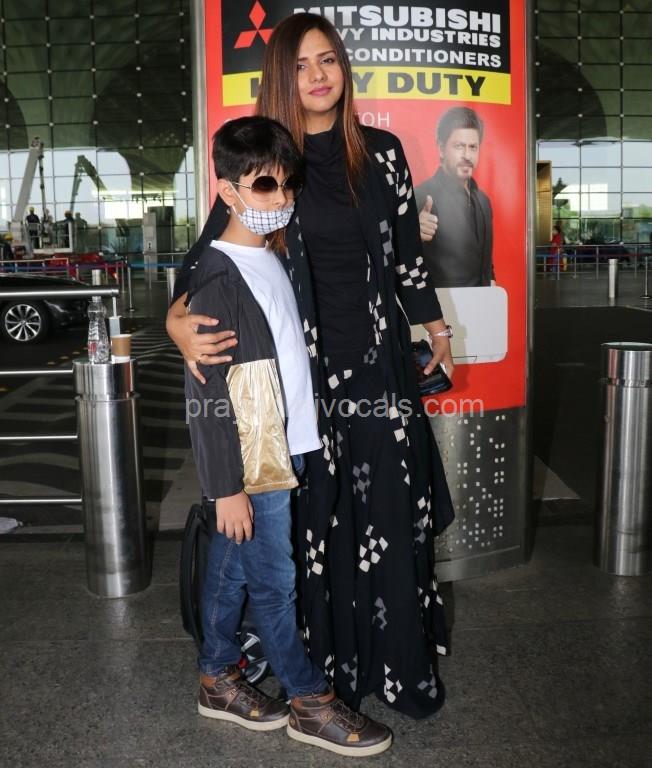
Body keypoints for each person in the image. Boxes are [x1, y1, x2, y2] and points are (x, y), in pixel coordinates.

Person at [168, 12, 455, 720]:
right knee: (317, 525)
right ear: (281, 78)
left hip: (381, 368)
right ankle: (324, 676)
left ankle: (398, 668)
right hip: (305, 379)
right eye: (300, 65)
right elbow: (207, 256)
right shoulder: (268, 160)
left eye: (328, 60)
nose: (319, 75)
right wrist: (176, 321)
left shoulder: (382, 153)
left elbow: (407, 258)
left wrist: (436, 327)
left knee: (390, 514)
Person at [185, 115, 391, 757]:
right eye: (265, 185)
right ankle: (309, 702)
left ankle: (217, 678)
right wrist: (225, 488)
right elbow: (207, 397)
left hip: (285, 444)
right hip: (255, 462)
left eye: (288, 183)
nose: (282, 197)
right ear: (228, 191)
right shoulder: (219, 275)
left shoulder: (270, 255)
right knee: (274, 583)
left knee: (233, 569)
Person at [415, 106, 494, 287]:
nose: (467, 156)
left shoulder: (483, 201)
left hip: (482, 301)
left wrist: (491, 280)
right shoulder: (420, 196)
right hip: (441, 302)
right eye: (459, 146)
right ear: (441, 148)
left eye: (473, 147)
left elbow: (484, 258)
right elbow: (397, 257)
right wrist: (413, 234)